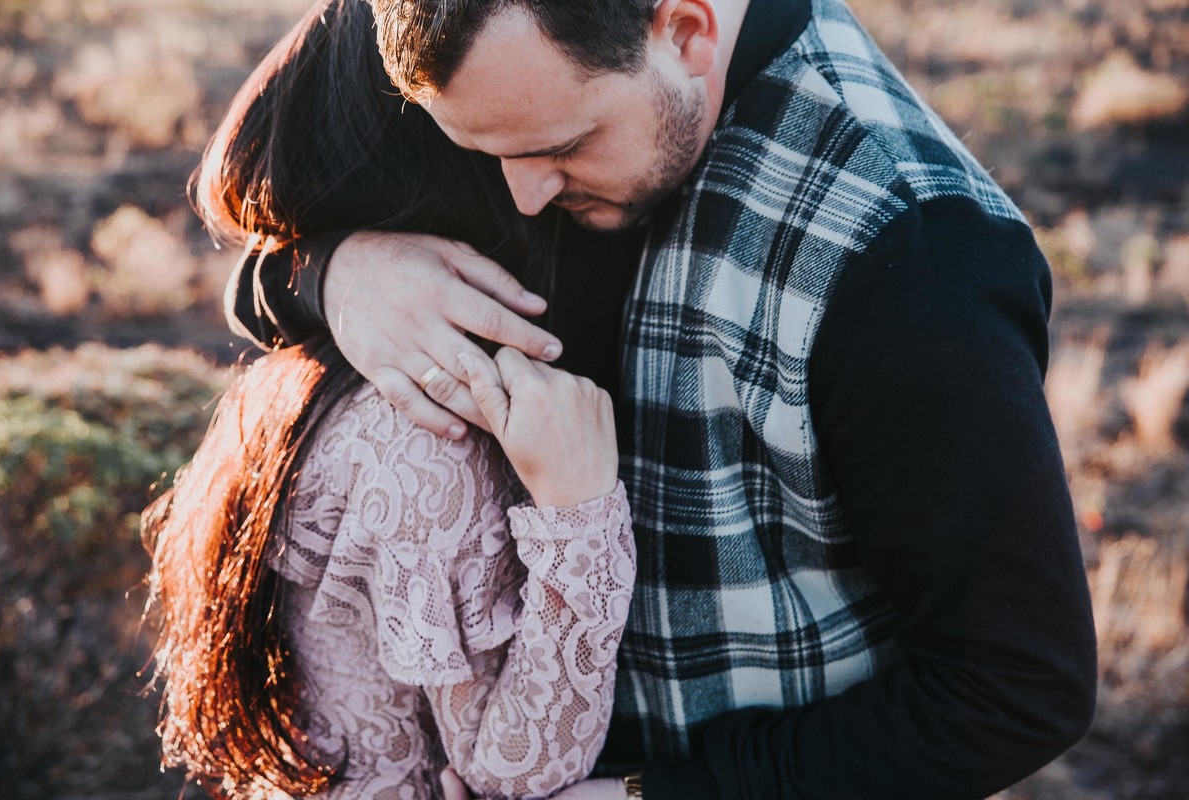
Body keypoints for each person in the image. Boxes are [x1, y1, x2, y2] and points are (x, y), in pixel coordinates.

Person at [228, 0, 1099, 798]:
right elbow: (260, 231)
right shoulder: (457, 27)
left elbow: (1017, 687)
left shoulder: (910, 256)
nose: (523, 190)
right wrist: (335, 278)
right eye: (483, 153)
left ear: (687, 32)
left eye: (560, 145)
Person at [142, 3, 635, 797]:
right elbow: (512, 771)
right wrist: (582, 520)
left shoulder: (312, 371)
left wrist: (325, 268)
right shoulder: (428, 439)